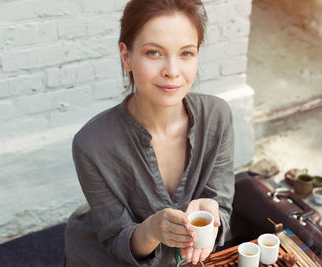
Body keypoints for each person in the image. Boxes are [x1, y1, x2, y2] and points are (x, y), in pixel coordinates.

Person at [64, 0, 235, 266]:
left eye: (186, 53)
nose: (172, 71)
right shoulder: (91, 144)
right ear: (126, 56)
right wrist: (152, 229)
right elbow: (115, 239)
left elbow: (221, 208)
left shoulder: (217, 116)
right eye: (154, 53)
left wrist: (215, 215)